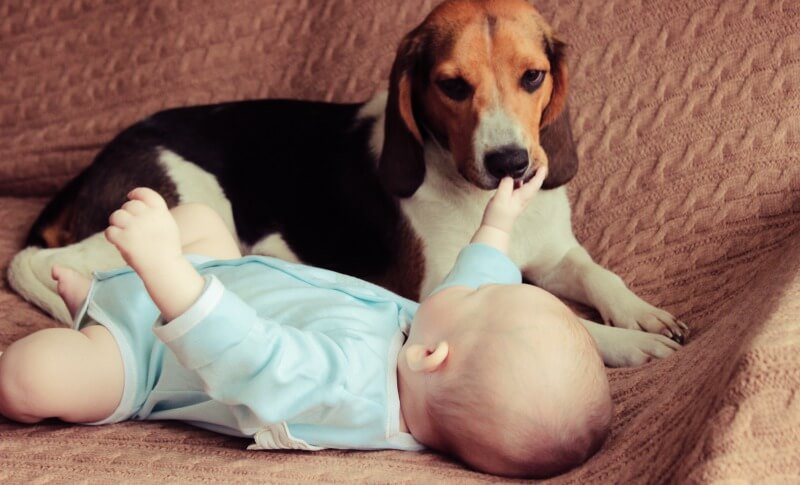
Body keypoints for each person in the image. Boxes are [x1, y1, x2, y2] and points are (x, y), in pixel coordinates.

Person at [0, 167, 612, 478]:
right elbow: (479, 283)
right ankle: (109, 288)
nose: (476, 285)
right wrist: (498, 224)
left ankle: (104, 312)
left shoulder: (350, 390)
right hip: (221, 273)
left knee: (32, 378)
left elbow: (250, 356)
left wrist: (163, 267)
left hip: (150, 359)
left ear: (436, 357)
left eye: (480, 297)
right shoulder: (429, 343)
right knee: (204, 220)